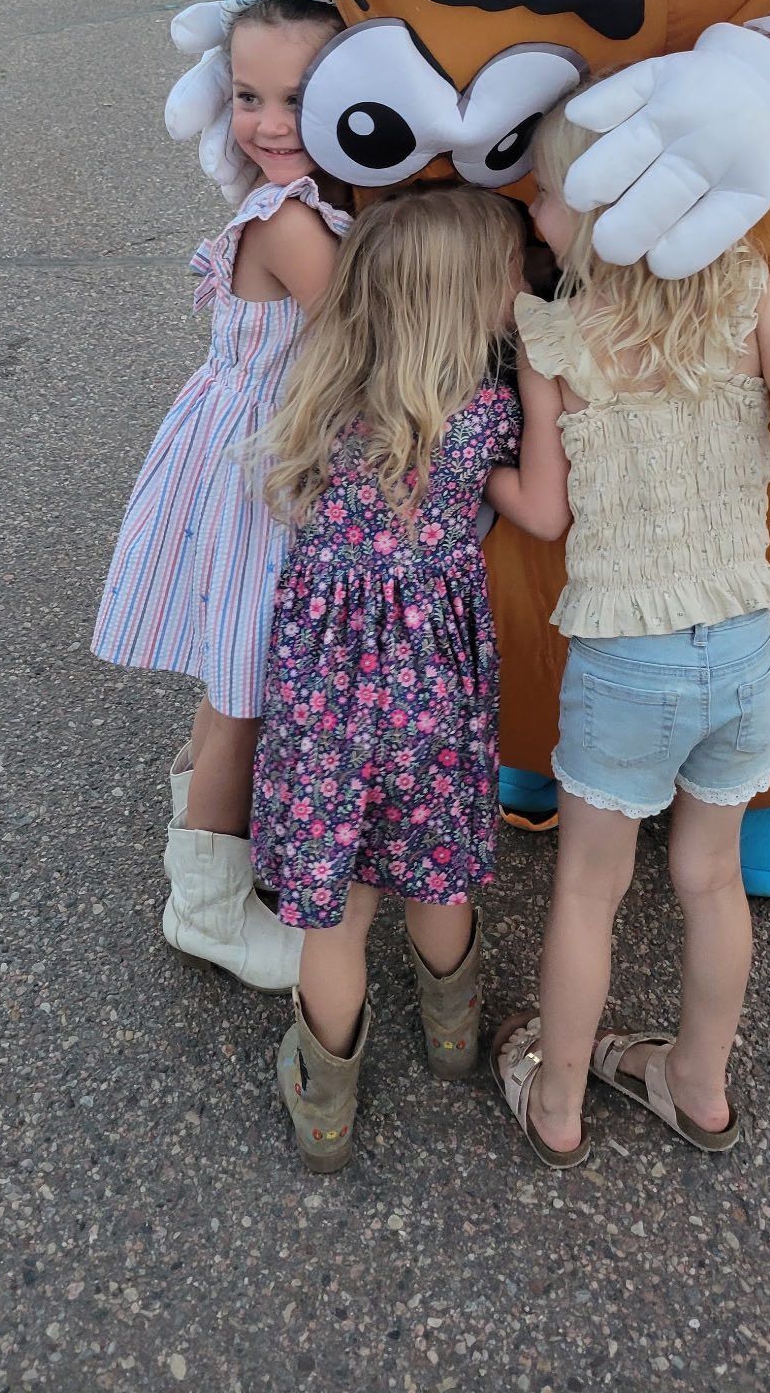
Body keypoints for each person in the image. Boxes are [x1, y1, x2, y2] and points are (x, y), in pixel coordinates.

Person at [483, 98, 770, 1167]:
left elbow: (545, 510)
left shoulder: (554, 335)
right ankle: (697, 1081)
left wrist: (470, 470)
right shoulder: (746, 293)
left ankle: (559, 1102)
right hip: (743, 647)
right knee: (711, 879)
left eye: (544, 192)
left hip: (626, 655)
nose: (533, 207)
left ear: (605, 207)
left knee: (588, 888)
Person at [252, 185, 563, 1172]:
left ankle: (326, 1111)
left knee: (338, 913)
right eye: (514, 273)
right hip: (432, 695)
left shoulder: (318, 392)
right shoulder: (481, 415)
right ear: (472, 296)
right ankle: (454, 1040)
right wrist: (545, 382)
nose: (526, 285)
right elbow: (546, 514)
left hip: (323, 701)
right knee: (436, 874)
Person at [91, 0, 349, 993]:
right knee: (246, 686)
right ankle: (204, 898)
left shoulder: (298, 199)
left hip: (248, 450)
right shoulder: (291, 219)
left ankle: (202, 816)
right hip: (263, 467)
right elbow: (363, 329)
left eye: (296, 98)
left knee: (231, 667)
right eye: (249, 97)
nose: (269, 121)